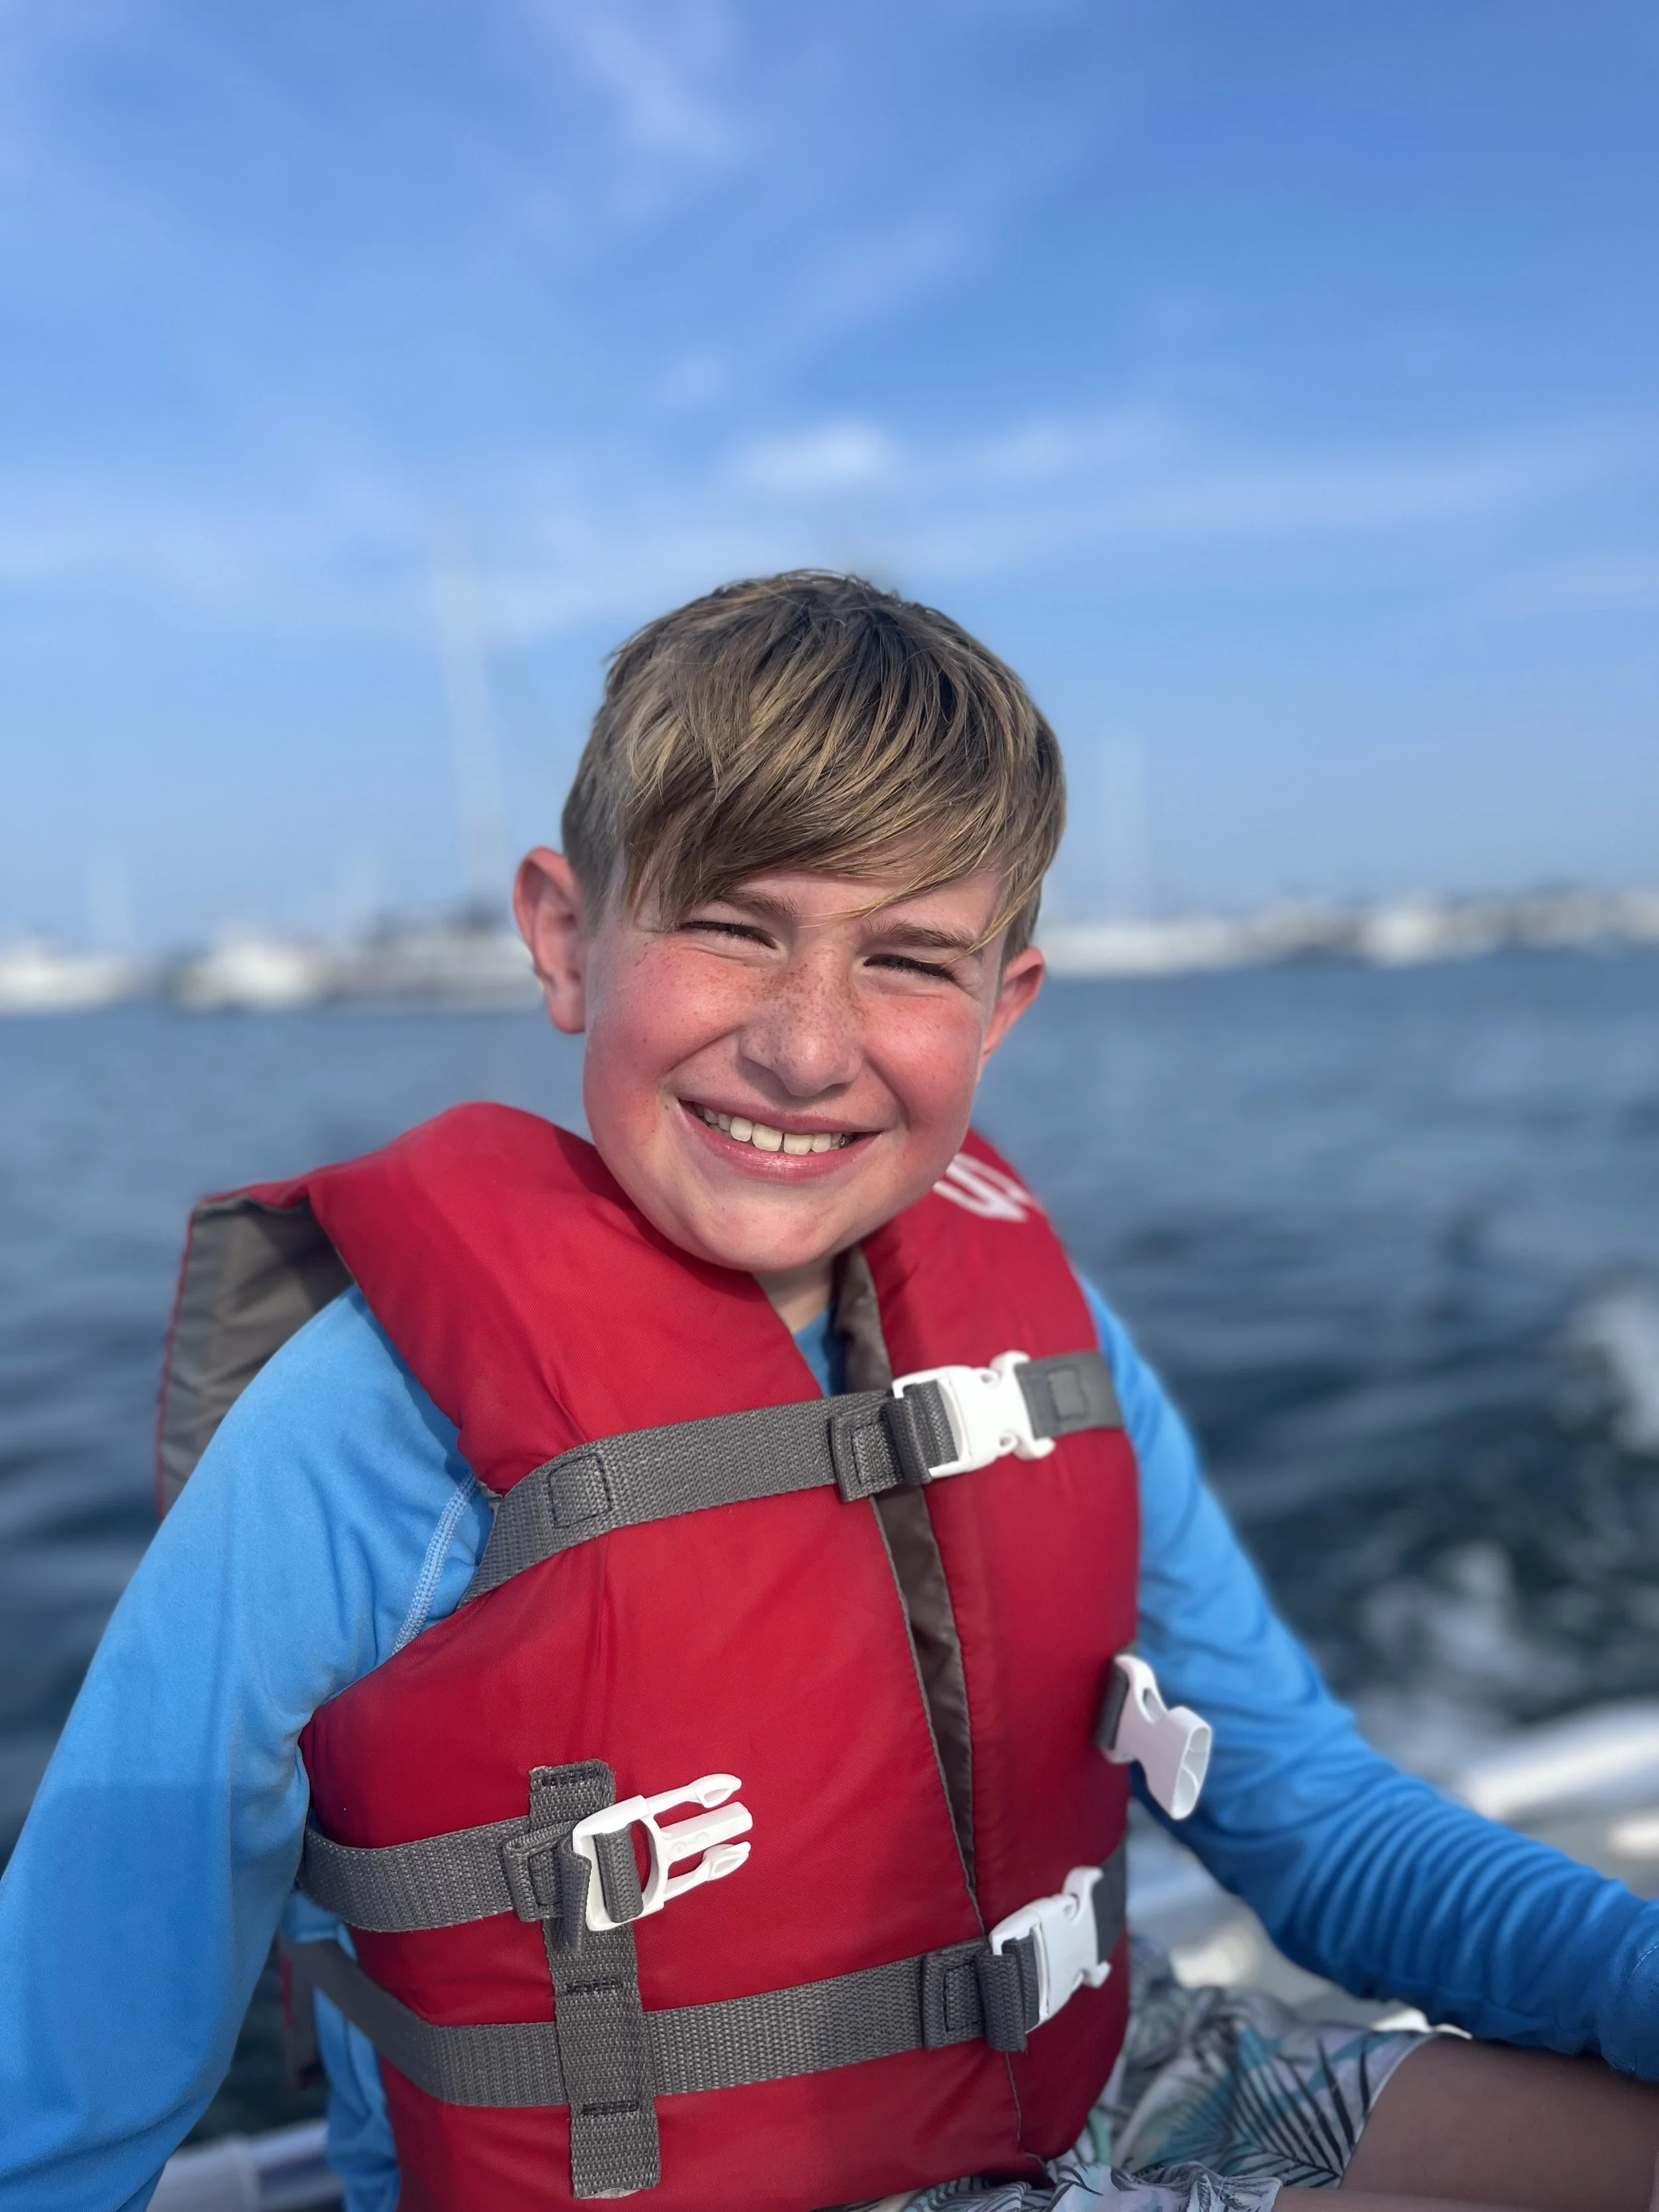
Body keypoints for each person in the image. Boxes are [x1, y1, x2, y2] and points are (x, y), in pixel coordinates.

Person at [3, 572, 1658, 2212]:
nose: (805, 1048)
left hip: (1105, 2071)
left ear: (1001, 1008)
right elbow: (71, 2076)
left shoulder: (1046, 1342)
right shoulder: (367, 1432)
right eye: (734, 928)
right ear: (567, 937)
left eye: (910, 961)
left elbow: (1313, 1822)